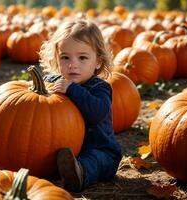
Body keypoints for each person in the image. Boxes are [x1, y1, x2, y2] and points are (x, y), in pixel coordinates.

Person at [39, 18, 122, 192]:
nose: (72, 64)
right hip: (68, 150)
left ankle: (79, 174)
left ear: (98, 62)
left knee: (94, 160)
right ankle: (65, 167)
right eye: (65, 57)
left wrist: (73, 90)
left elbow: (98, 113)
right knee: (56, 157)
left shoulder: (100, 88)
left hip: (100, 150)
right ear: (56, 58)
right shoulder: (54, 82)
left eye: (82, 57)